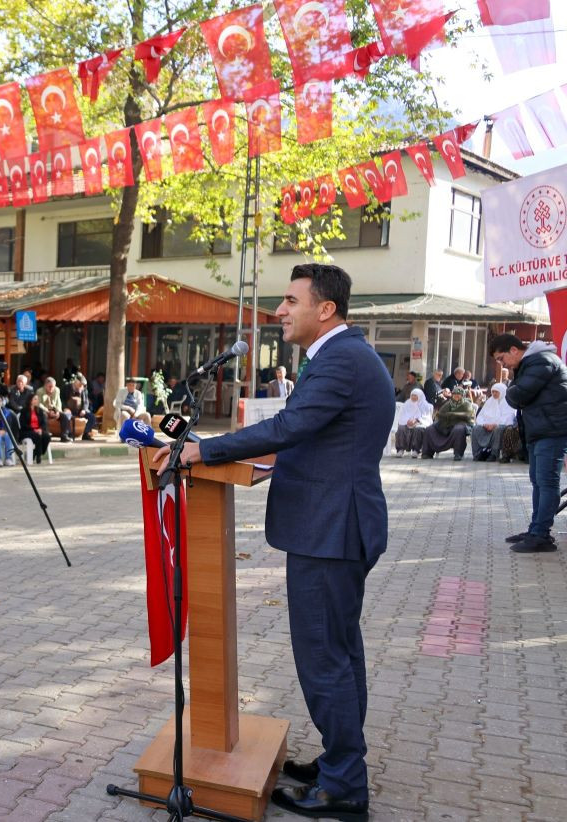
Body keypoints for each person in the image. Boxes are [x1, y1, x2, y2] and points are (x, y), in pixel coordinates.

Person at [155, 263, 390, 820]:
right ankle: (341, 762)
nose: (279, 311)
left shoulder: (340, 360)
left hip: (331, 529)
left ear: (324, 308)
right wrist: (254, 456)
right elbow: (311, 434)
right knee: (339, 653)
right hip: (334, 524)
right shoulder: (339, 355)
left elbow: (290, 426)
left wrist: (203, 451)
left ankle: (344, 788)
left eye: (290, 300)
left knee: (324, 658)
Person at [490, 333, 567, 553]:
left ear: (514, 350)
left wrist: (512, 391)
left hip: (552, 431)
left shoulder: (542, 361)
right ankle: (536, 529)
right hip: (540, 430)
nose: (502, 364)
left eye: (501, 358)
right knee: (538, 482)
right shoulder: (531, 364)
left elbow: (518, 395)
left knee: (547, 483)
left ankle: (541, 534)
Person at [420, 388, 474, 460]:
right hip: (447, 424)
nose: (456, 396)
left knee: (458, 430)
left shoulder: (466, 404)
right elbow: (440, 414)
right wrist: (447, 416)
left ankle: (458, 453)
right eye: (455, 394)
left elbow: (468, 415)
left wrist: (452, 414)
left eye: (459, 395)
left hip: (461, 423)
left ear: (462, 395)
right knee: (429, 429)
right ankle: (427, 453)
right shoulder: (448, 404)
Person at [470, 382, 517, 463]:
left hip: (501, 426)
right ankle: (477, 454)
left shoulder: (508, 402)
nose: (494, 394)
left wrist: (494, 424)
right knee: (475, 428)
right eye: (493, 392)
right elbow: (481, 416)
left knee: (498, 429)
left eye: (496, 392)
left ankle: (494, 454)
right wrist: (484, 424)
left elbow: (509, 417)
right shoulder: (490, 401)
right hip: (487, 426)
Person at [392, 389, 431, 458]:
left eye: (415, 395)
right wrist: (407, 421)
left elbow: (426, 417)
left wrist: (416, 420)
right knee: (401, 428)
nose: (413, 397)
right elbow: (403, 415)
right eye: (412, 395)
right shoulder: (407, 403)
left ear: (420, 396)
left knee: (418, 429)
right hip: (408, 422)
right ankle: (400, 449)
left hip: (420, 423)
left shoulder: (425, 405)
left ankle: (416, 450)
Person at [34, 377, 74, 443]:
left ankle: (64, 435)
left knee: (64, 416)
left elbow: (58, 402)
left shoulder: (57, 390)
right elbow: (39, 404)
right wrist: (47, 411)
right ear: (45, 385)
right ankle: (45, 435)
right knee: (43, 415)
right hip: (44, 410)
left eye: (53, 386)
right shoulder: (39, 391)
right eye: (49, 386)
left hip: (54, 409)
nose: (51, 388)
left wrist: (58, 411)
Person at [17, 392, 51, 463]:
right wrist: (33, 429)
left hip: (38, 430)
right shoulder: (24, 411)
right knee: (37, 436)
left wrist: (40, 429)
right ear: (30, 400)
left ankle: (36, 452)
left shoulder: (40, 411)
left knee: (47, 436)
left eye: (37, 399)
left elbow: (44, 422)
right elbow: (23, 424)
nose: (37, 401)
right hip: (27, 431)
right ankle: (38, 457)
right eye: (35, 399)